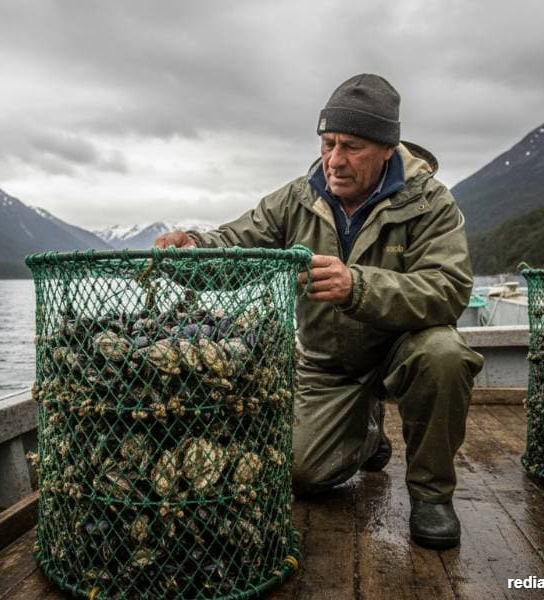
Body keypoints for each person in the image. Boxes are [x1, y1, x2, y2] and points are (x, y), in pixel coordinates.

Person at [154, 73, 484, 550]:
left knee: (444, 353)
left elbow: (449, 289)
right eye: (327, 143)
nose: (334, 160)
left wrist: (358, 286)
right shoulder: (296, 198)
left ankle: (432, 496)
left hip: (401, 350)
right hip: (329, 365)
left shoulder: (431, 202)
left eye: (351, 147)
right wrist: (194, 248)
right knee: (302, 475)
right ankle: (369, 434)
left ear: (387, 149)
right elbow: (234, 246)